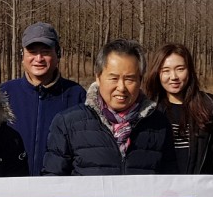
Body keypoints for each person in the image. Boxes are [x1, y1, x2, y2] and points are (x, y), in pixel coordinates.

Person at [43, 39, 176, 176]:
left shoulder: (159, 124)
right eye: (113, 78)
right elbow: (53, 183)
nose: (121, 87)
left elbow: (171, 182)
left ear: (140, 80)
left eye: (129, 79)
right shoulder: (68, 123)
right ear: (98, 78)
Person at [0, 22, 85, 177]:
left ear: (57, 54)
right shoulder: (4, 94)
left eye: (45, 52)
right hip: (12, 189)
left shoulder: (76, 95)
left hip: (59, 190)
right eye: (32, 52)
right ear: (22, 55)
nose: (38, 59)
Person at [144, 43, 213, 174]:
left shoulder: (211, 108)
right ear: (156, 73)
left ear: (189, 70)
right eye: (166, 70)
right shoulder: (147, 112)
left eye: (180, 69)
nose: (174, 77)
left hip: (202, 191)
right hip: (162, 191)